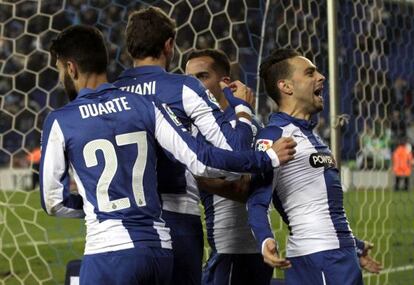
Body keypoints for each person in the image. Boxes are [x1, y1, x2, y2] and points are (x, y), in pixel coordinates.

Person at [40, 25, 296, 285]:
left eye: (60, 69)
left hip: (107, 250)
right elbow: (202, 159)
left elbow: (53, 201)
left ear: (71, 68)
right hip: (158, 248)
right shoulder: (147, 106)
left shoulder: (62, 120)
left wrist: (97, 206)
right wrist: (266, 158)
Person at [114, 7, 258, 285]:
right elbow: (231, 155)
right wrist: (243, 112)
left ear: (129, 46)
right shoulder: (183, 87)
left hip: (125, 225)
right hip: (176, 220)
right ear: (169, 45)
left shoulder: (109, 93)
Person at [247, 48, 383, 285]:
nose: (321, 77)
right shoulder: (274, 136)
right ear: (286, 87)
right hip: (318, 258)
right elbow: (258, 200)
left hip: (340, 253)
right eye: (310, 73)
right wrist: (265, 239)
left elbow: (319, 205)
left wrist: (354, 245)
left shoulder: (312, 135)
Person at [185, 48, 273, 285]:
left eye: (201, 76)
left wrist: (197, 176)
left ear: (225, 82)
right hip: (235, 251)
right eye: (188, 79)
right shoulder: (197, 126)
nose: (193, 85)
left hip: (237, 253)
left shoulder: (245, 123)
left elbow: (247, 189)